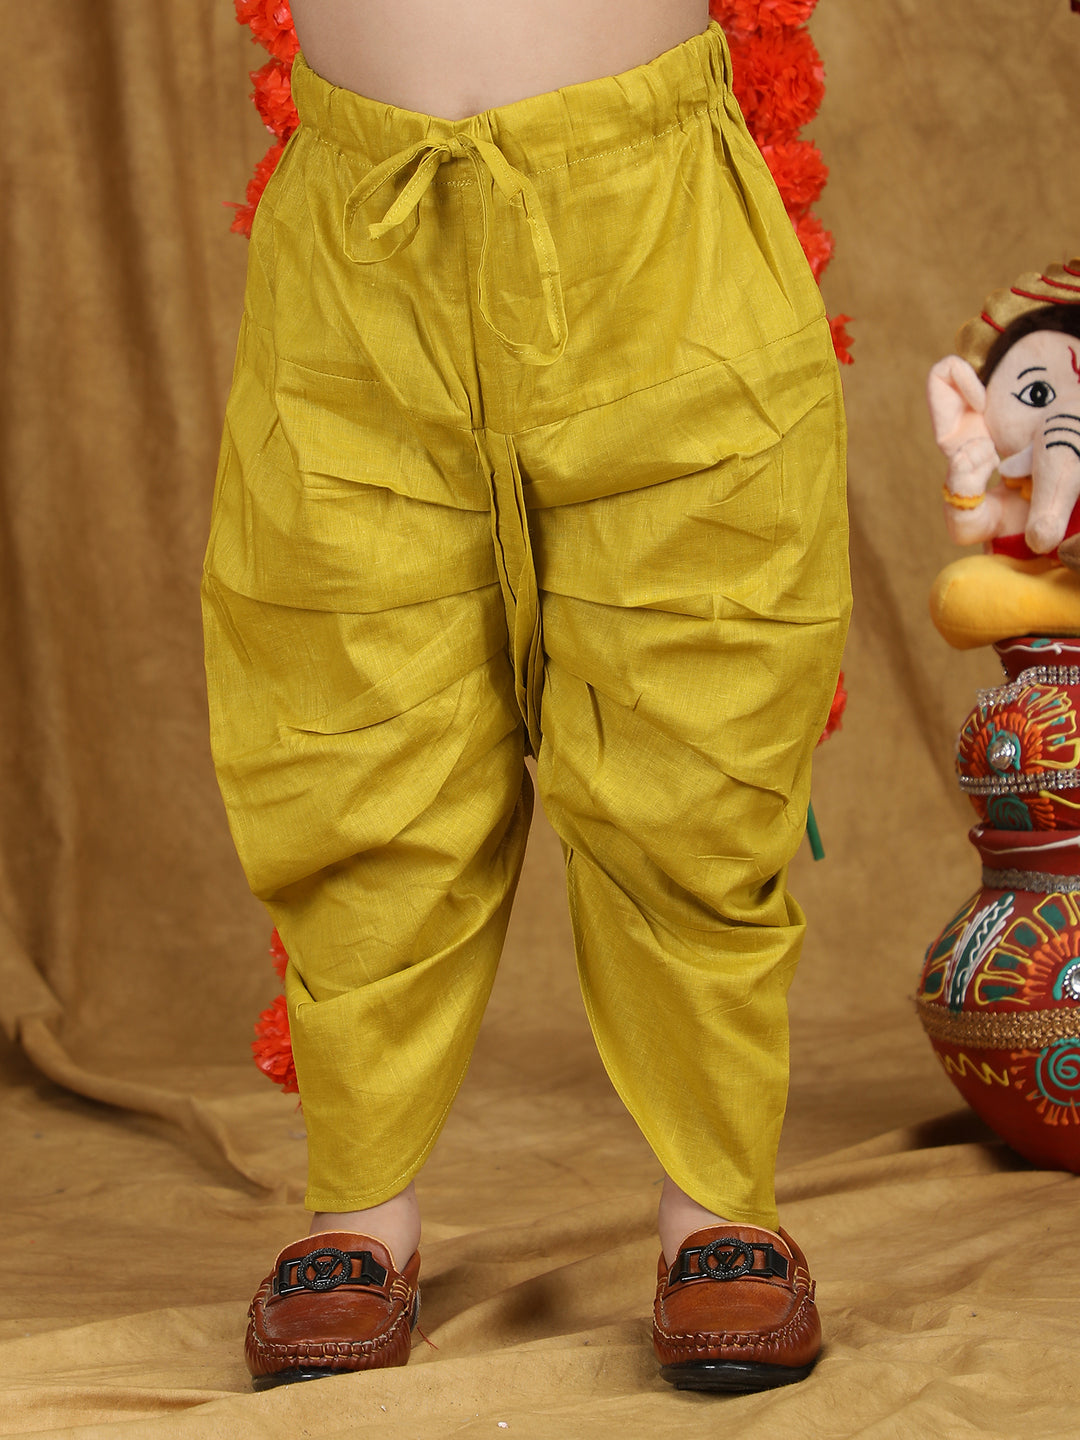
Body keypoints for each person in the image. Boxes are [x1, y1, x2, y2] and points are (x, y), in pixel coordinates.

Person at [202, 0, 850, 1394]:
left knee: (701, 711)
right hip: (357, 240)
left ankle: (715, 1209)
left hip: (657, 223)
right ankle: (359, 1212)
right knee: (351, 704)